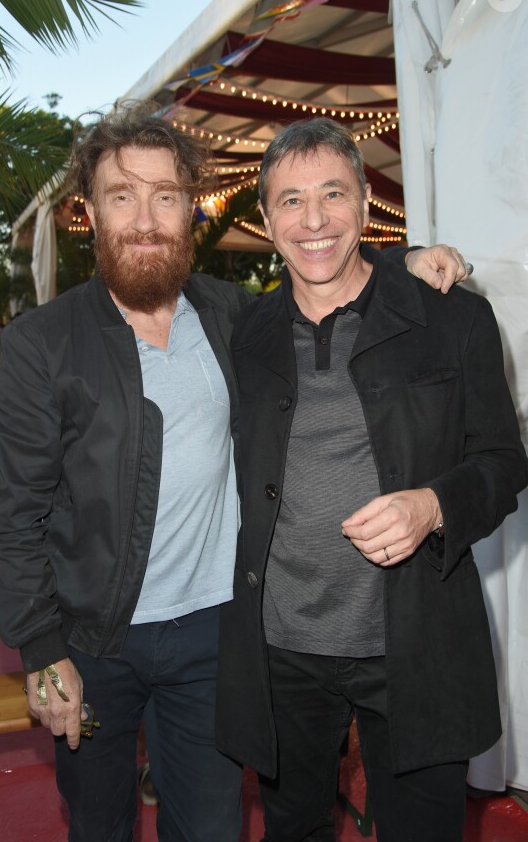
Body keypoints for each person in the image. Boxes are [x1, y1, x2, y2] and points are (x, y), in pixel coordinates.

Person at [0, 103, 470, 842]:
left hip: (215, 637)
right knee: (98, 824)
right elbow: (12, 520)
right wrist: (42, 652)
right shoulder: (40, 345)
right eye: (122, 196)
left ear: (191, 211)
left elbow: (328, 278)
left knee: (210, 828)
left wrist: (405, 256)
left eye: (165, 196)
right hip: (92, 639)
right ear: (91, 213)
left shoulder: (234, 316)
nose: (145, 218)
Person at [215, 118, 528, 842]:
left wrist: (433, 504)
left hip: (414, 642)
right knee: (292, 830)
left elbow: (506, 460)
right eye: (290, 201)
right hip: (281, 650)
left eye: (333, 194)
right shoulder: (244, 332)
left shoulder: (454, 321)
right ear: (266, 220)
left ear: (364, 205)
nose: (314, 218)